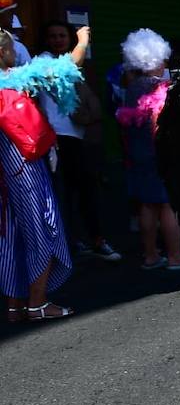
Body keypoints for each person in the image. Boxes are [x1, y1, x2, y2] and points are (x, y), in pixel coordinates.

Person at [0, 26, 86, 321]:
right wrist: (83, 40)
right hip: (26, 167)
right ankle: (37, 304)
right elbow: (69, 66)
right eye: (11, 47)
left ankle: (14, 307)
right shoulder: (15, 79)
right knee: (41, 228)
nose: (16, 52)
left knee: (12, 233)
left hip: (5, 172)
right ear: (2, 52)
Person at [115, 29, 180, 272]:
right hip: (158, 154)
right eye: (162, 58)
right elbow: (160, 125)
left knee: (146, 204)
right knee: (167, 205)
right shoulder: (160, 89)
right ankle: (175, 256)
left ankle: (151, 255)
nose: (165, 62)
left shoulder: (132, 88)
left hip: (138, 154)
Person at [36, 21, 119, 263]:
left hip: (75, 136)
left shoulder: (67, 58)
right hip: (56, 139)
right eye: (52, 36)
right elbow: (70, 67)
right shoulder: (44, 61)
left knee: (85, 191)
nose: (58, 39)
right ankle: (74, 243)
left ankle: (93, 240)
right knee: (65, 194)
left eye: (62, 35)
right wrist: (82, 41)